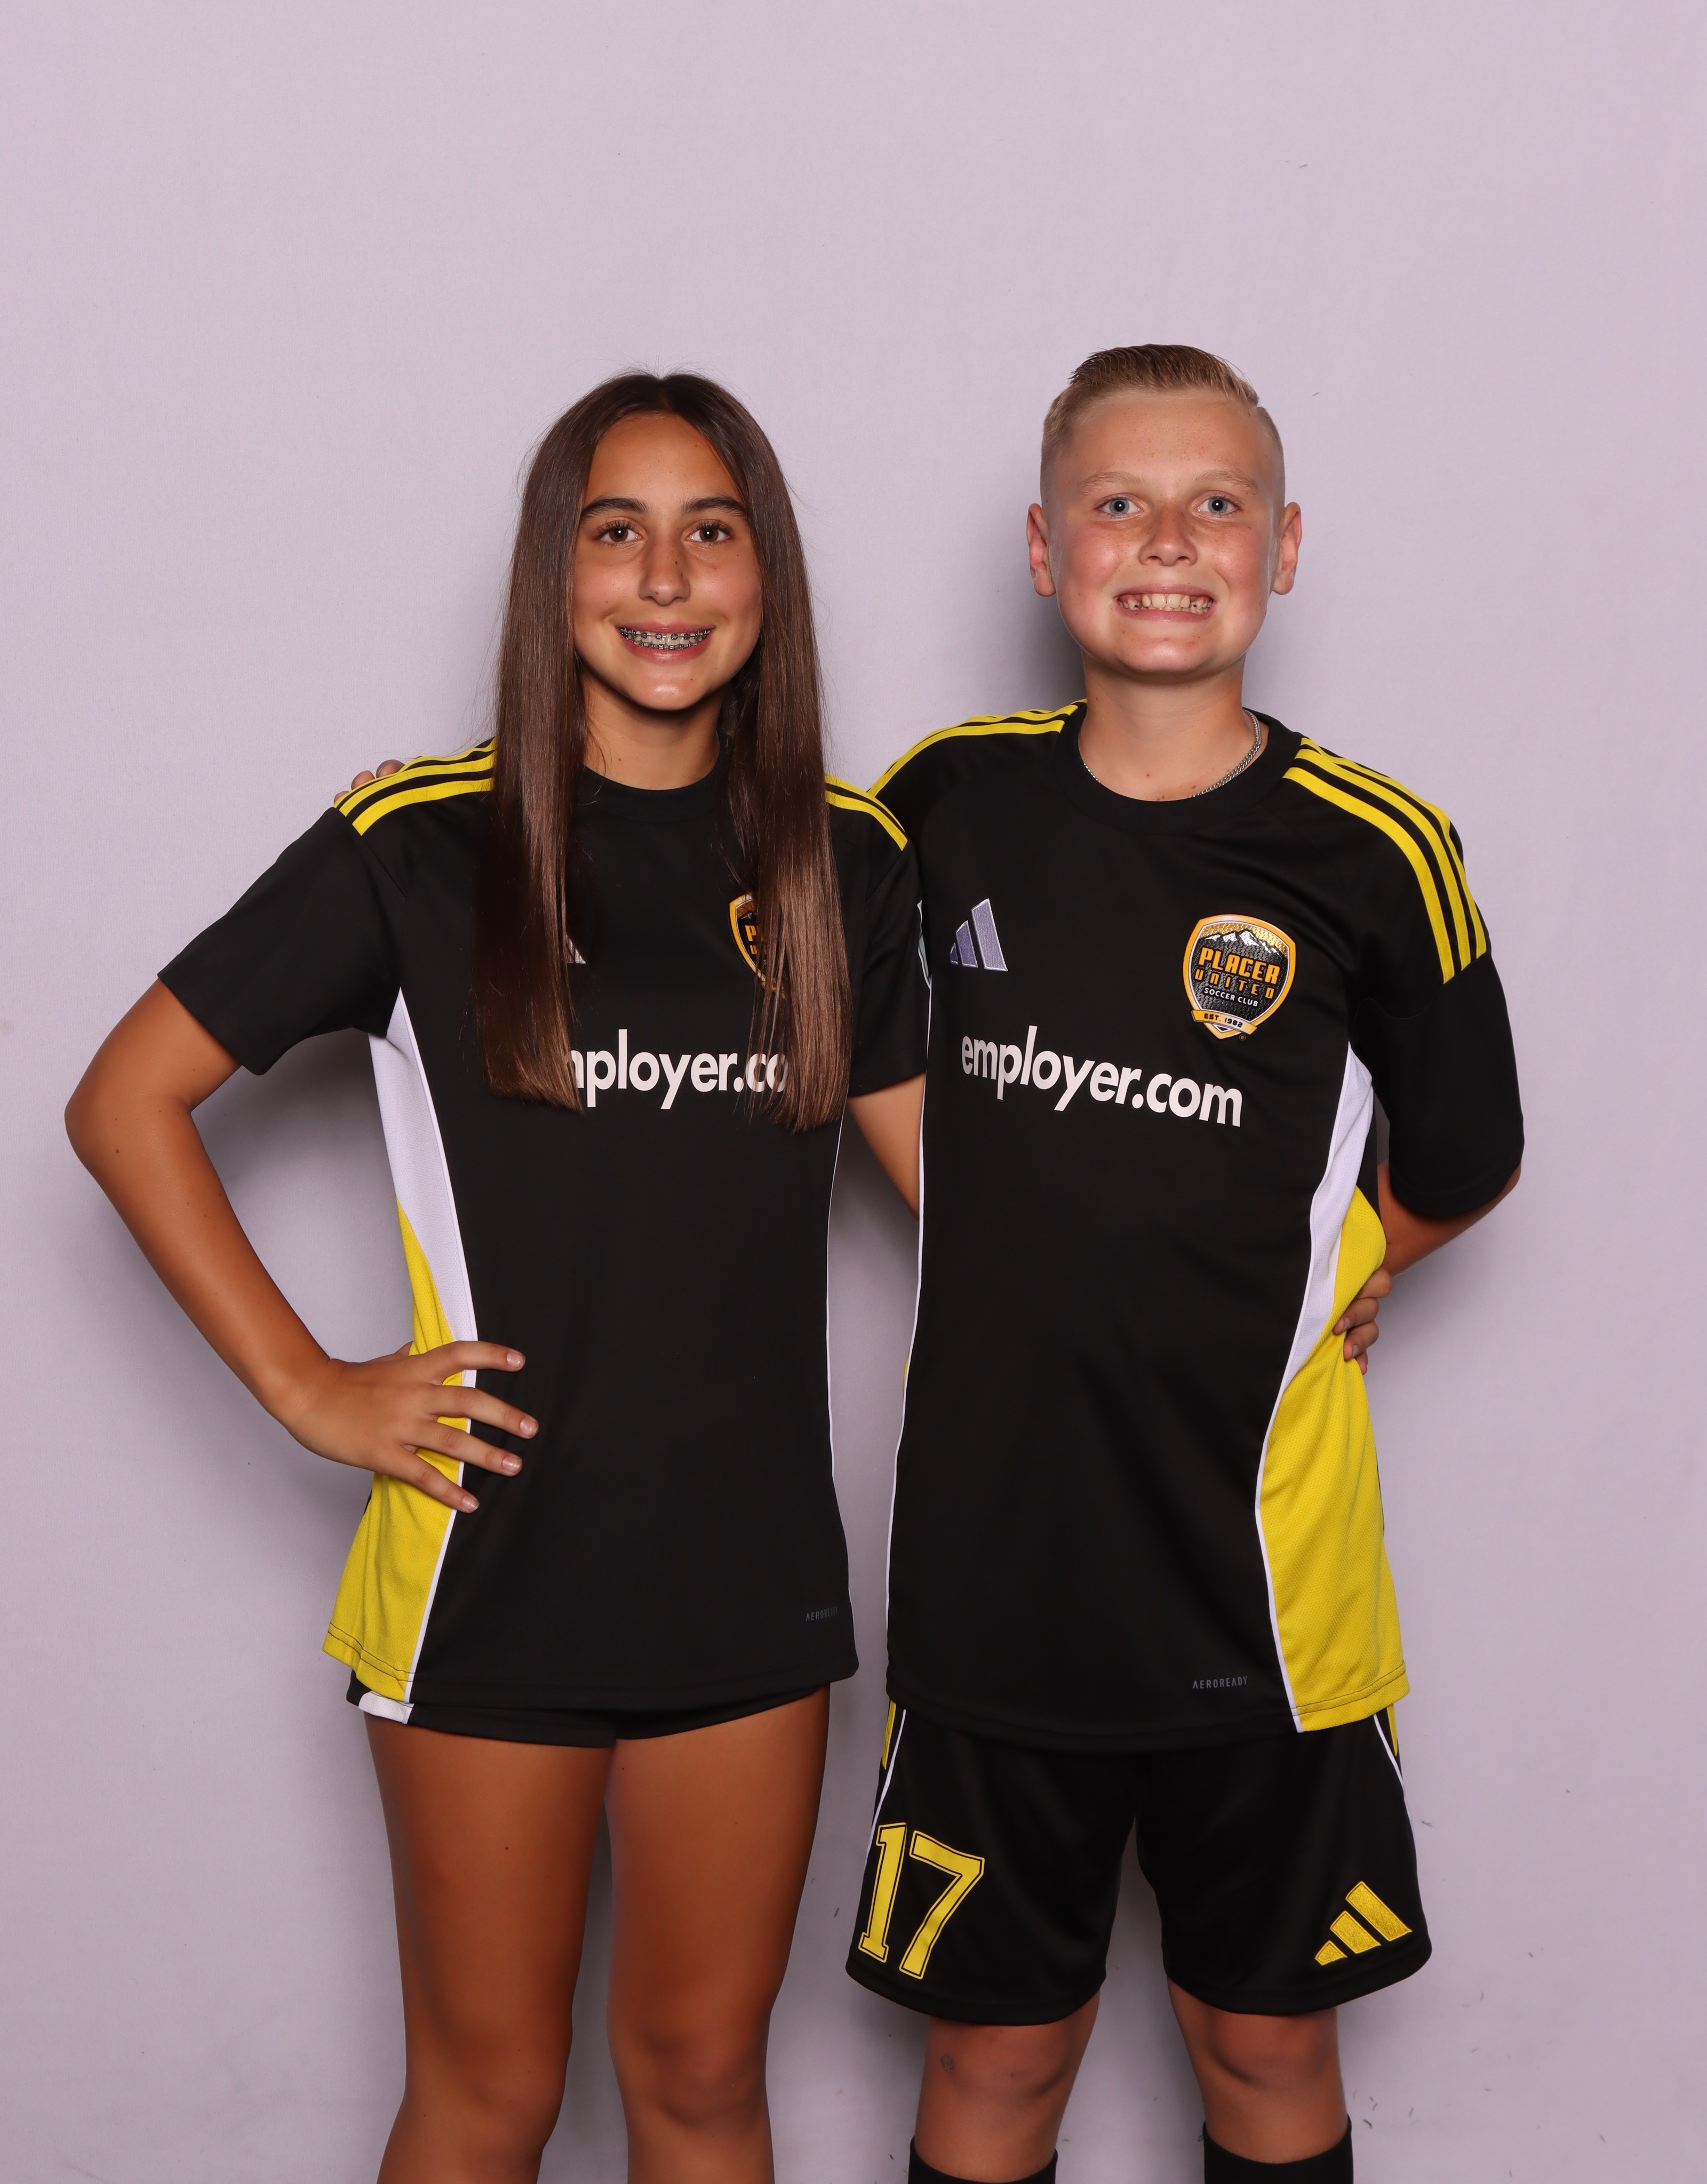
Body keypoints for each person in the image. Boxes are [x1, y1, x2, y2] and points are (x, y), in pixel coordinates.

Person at [66, 371, 930, 2184]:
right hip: (488, 1566)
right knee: (490, 2098)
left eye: (712, 530)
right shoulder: (419, 843)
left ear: (766, 575)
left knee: (704, 2085)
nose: (666, 577)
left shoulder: (844, 860)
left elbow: (983, 1209)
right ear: (556, 574)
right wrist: (311, 1387)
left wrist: (1312, 1256)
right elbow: (123, 1101)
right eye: (618, 531)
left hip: (751, 1575)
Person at [844, 346, 1523, 2184]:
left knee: (1261, 2041)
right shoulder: (942, 801)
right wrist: (986, 1213)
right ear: (1044, 548)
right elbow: (760, 930)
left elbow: (1470, 1153)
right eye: (1119, 503)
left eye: (1217, 503)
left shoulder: (1376, 848)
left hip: (1266, 1594)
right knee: (997, 2060)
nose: (1168, 540)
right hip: (997, 1577)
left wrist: (1346, 1258)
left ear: (1282, 549)